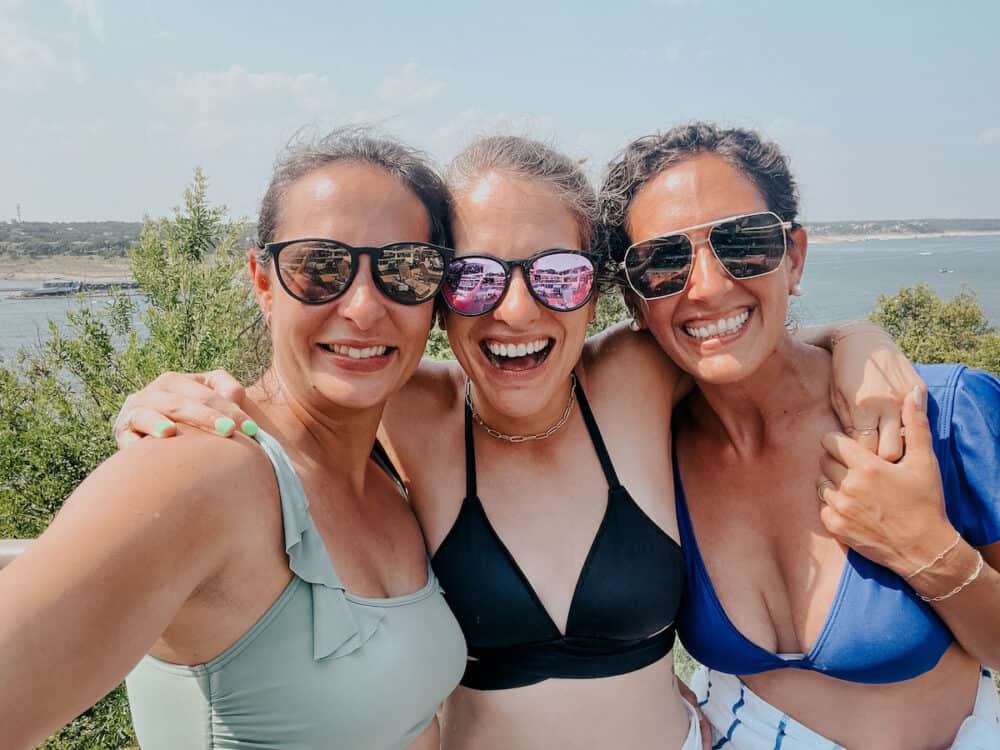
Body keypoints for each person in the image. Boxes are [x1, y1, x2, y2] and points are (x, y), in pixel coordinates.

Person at [106, 134, 921, 749]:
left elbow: (739, 333)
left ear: (598, 294)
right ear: (433, 295)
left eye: (558, 274)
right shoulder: (411, 407)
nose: (517, 311)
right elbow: (295, 397)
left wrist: (863, 340)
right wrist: (173, 404)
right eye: (472, 278)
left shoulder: (635, 378)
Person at [0, 128, 467, 750]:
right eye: (319, 266)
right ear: (263, 281)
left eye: (405, 270)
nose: (361, 306)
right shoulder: (198, 469)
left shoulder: (391, 472)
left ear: (436, 298)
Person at [599, 121, 1000, 749]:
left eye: (745, 243)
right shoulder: (650, 455)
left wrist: (930, 552)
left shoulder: (938, 413)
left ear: (796, 257)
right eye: (663, 262)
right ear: (635, 300)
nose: (706, 286)